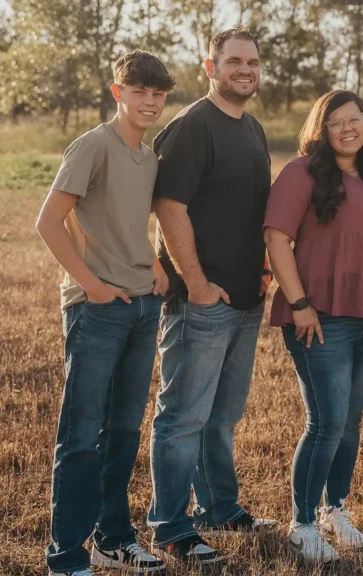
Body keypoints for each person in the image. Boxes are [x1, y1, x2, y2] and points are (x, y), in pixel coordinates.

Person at [35, 50, 173, 576]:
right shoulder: (94, 145)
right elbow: (48, 222)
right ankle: (67, 559)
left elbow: (134, 219)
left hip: (142, 305)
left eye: (158, 94)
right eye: (139, 92)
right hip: (97, 309)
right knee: (81, 435)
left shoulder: (150, 156)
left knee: (122, 432)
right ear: (118, 92)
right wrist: (90, 284)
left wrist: (157, 266)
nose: (149, 102)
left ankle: (113, 540)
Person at [147, 28, 275, 566]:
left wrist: (264, 271)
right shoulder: (192, 126)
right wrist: (196, 286)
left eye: (252, 61)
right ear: (210, 66)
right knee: (182, 417)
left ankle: (219, 507)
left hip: (245, 296)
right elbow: (169, 207)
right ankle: (171, 526)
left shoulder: (252, 129)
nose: (244, 69)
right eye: (233, 61)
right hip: (200, 300)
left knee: (222, 416)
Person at [263, 90, 363, 563]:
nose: (348, 128)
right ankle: (301, 524)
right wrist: (299, 303)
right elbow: (276, 238)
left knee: (348, 423)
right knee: (325, 422)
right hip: (319, 318)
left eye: (355, 119)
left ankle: (333, 509)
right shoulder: (302, 172)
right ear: (321, 129)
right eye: (336, 122)